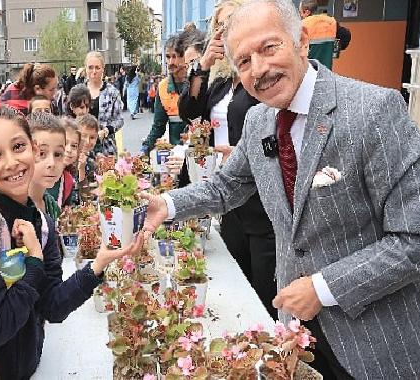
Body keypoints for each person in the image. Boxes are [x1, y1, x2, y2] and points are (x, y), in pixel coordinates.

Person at [142, 0, 420, 378]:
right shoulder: (259, 120)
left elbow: (412, 240)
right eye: (243, 61)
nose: (259, 69)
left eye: (269, 48)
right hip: (296, 336)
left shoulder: (374, 111)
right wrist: (169, 204)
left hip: (373, 343)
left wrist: (322, 289)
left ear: (301, 41)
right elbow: (227, 186)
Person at [0, 92, 143, 379]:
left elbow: (52, 306)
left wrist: (98, 265)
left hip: (32, 367)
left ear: (33, 150)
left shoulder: (44, 224)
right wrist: (34, 261)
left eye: (18, 147)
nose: (12, 162)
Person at [174, 0, 278, 319]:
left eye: (231, 22)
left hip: (262, 204)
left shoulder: (261, 79)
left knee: (264, 295)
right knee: (237, 285)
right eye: (220, 26)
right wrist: (203, 63)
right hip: (229, 198)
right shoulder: (221, 84)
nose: (225, 31)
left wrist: (248, 155)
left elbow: (280, 126)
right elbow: (188, 111)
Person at [140, 36, 188, 154]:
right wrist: (145, 148)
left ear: (185, 57)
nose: (171, 62)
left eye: (175, 56)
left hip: (198, 152)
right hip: (176, 153)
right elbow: (158, 126)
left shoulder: (198, 83)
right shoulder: (162, 87)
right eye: (168, 57)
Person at [27, 112, 67, 219]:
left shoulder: (51, 205)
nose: (52, 163)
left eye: (58, 154)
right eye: (41, 153)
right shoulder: (15, 209)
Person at [84, 51, 123, 155]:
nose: (94, 71)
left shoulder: (112, 92)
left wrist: (106, 131)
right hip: (82, 148)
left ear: (103, 69)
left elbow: (119, 120)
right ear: (85, 68)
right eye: (90, 67)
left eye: (97, 68)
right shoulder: (79, 91)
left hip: (106, 147)